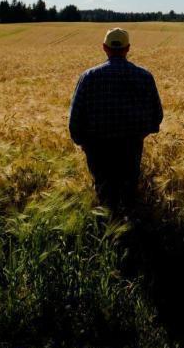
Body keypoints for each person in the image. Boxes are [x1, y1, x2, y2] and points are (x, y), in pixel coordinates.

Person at [69, 27, 163, 211]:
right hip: (131, 145)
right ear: (128, 48)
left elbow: (75, 116)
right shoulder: (144, 76)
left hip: (97, 147)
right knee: (128, 191)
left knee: (104, 192)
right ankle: (131, 230)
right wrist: (142, 133)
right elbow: (157, 115)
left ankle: (106, 229)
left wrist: (82, 142)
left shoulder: (89, 77)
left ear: (104, 47)